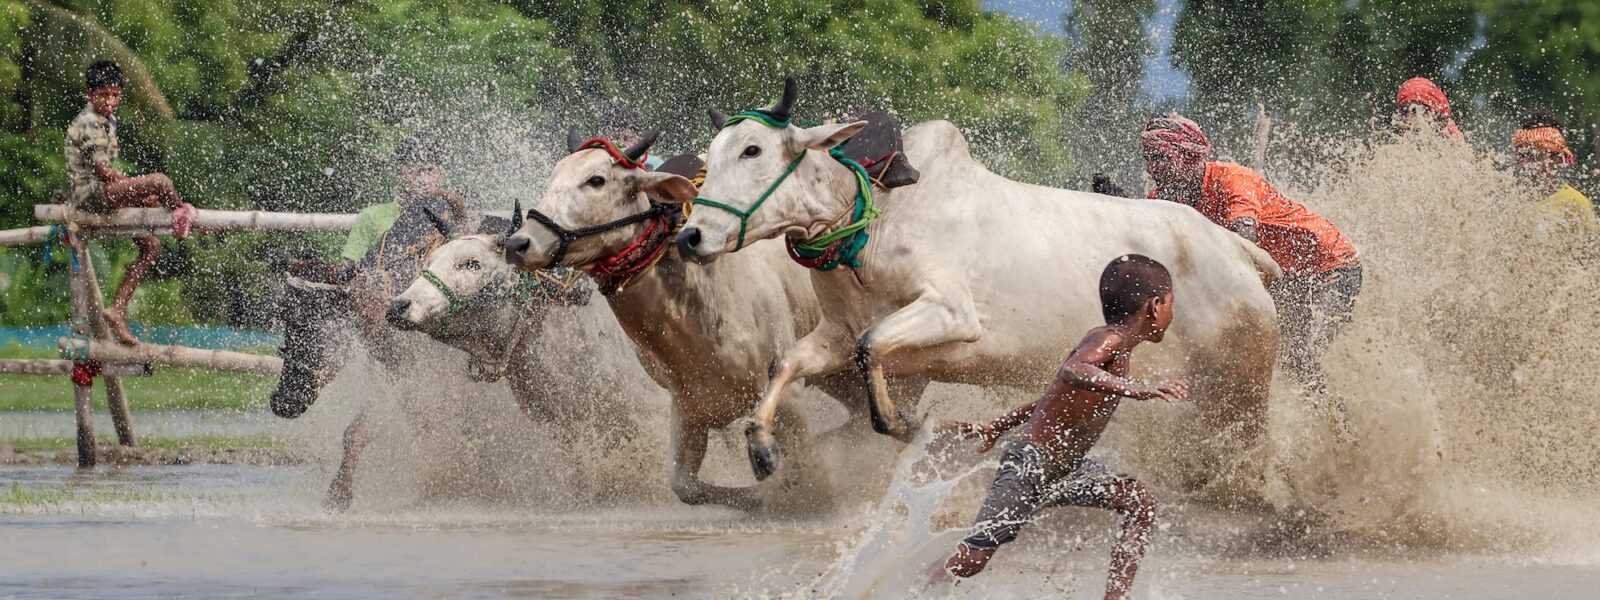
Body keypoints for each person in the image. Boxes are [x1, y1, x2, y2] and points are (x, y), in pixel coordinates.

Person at [930, 254, 1186, 600]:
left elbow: (1053, 396)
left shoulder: (1119, 348)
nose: (1172, 312)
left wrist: (998, 424)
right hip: (1031, 465)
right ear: (1155, 306)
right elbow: (1074, 370)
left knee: (1140, 502)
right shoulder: (1108, 339)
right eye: (1171, 303)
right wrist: (1136, 389)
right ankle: (915, 590)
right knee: (973, 559)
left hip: (1065, 468)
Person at [1142, 114, 1361, 401]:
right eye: (1148, 157)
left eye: (1160, 157)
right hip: (1282, 279)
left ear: (1189, 156)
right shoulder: (1163, 199)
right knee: (1279, 357)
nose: (1152, 167)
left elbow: (1244, 245)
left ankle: (1340, 424)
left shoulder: (1233, 179)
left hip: (1331, 266)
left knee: (1300, 352)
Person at [64, 60, 198, 345]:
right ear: (89, 93)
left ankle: (118, 308)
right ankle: (182, 212)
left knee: (151, 246)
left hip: (105, 195)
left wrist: (137, 193)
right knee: (160, 182)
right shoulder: (88, 122)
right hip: (91, 198)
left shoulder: (108, 121)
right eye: (103, 95)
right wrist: (139, 190)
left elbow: (110, 176)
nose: (110, 101)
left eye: (115, 95)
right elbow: (103, 172)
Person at [1513, 114, 1599, 237]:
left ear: (1557, 158)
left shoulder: (1576, 204)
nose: (1524, 163)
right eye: (1521, 155)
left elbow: (1591, 254)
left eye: (1532, 156)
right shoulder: (1510, 198)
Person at [1394, 77, 1465, 140]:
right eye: (1406, 110)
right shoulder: (1396, 143)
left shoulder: (1453, 141)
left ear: (1435, 113)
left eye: (1423, 110)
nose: (1411, 117)